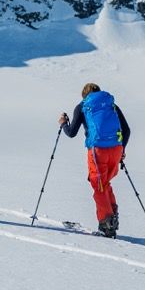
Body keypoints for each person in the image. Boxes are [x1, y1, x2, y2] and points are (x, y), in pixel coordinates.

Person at [58, 82, 130, 237]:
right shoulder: (111, 105)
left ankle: (107, 225)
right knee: (105, 183)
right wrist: (122, 149)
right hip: (116, 149)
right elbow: (127, 130)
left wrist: (64, 124)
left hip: (98, 151)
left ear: (85, 95)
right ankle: (112, 217)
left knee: (98, 185)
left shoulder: (83, 106)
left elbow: (71, 133)